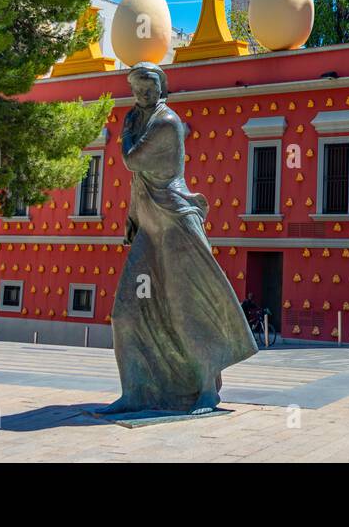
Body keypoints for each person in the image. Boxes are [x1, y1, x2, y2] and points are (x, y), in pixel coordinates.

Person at [99, 62, 257, 415]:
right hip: (148, 225)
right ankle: (137, 391)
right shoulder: (136, 119)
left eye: (149, 88)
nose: (143, 95)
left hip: (175, 223)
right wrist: (131, 216)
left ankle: (206, 389)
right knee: (127, 310)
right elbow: (137, 179)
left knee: (188, 309)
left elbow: (131, 161)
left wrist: (127, 129)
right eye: (137, 90)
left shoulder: (167, 123)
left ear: (161, 87)